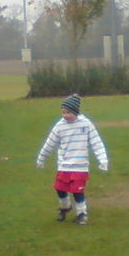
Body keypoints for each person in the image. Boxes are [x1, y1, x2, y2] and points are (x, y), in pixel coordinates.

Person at [36, 94, 109, 225]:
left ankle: (82, 214)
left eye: (68, 112)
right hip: (64, 165)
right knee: (59, 188)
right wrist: (42, 158)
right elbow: (50, 143)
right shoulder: (59, 126)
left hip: (80, 166)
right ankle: (65, 206)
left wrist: (103, 160)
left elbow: (96, 142)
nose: (65, 115)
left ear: (75, 112)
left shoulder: (86, 124)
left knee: (77, 191)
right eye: (63, 112)